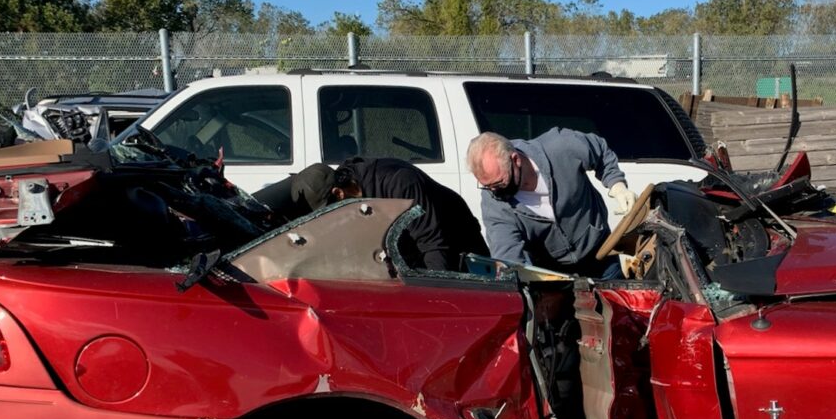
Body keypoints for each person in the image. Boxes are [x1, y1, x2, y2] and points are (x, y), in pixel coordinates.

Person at [256, 158, 488, 272]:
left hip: (458, 247)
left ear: (338, 192)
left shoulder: (399, 185)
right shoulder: (349, 192)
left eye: (328, 210)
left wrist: (430, 300)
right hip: (415, 250)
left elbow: (434, 245)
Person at [467, 128, 637, 279]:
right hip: (552, 275)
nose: (495, 191)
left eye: (499, 183)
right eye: (487, 186)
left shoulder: (560, 147)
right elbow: (507, 255)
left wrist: (617, 186)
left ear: (516, 160)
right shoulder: (493, 203)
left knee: (622, 311)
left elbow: (600, 151)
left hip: (601, 255)